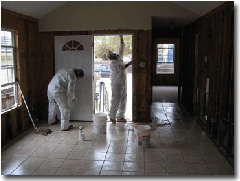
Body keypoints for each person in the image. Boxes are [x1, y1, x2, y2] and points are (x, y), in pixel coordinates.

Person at [106, 35, 132, 123]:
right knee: (115, 99)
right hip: (116, 84)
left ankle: (120, 116)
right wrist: (129, 63)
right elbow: (121, 68)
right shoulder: (112, 64)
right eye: (112, 55)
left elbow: (121, 49)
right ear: (110, 58)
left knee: (123, 99)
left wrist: (121, 38)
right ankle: (112, 116)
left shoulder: (118, 58)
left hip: (123, 82)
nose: (114, 55)